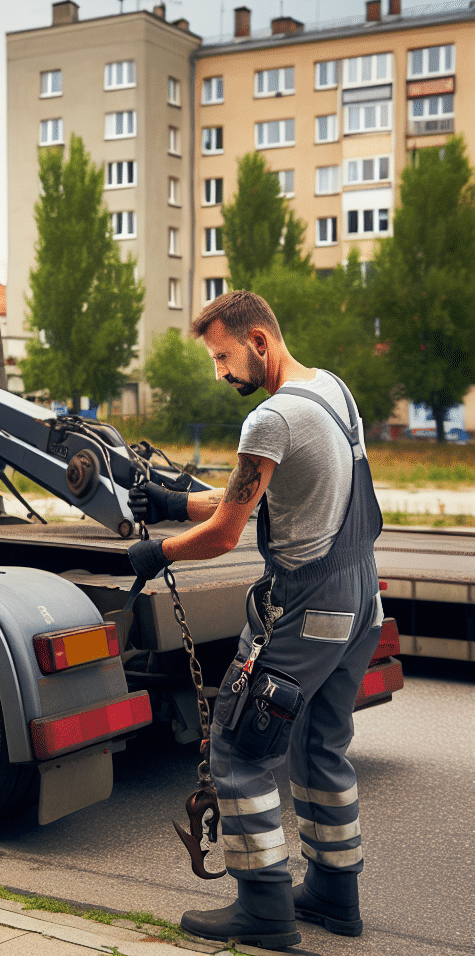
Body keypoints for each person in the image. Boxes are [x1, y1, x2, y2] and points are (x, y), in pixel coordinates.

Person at [126, 290, 383, 951]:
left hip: (307, 608)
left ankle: (265, 906)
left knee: (238, 749)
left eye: (222, 356)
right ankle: (334, 892)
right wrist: (174, 499)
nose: (219, 372)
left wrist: (159, 551)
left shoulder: (269, 418)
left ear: (259, 342)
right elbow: (265, 488)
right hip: (361, 605)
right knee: (319, 745)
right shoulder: (331, 390)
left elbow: (226, 532)